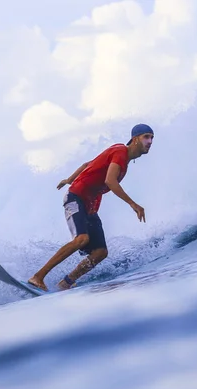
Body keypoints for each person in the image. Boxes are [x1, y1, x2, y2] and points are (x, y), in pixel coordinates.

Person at [27, 123, 154, 292]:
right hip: (75, 197)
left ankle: (66, 283)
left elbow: (89, 163)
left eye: (152, 138)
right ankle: (38, 277)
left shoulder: (122, 158)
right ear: (135, 139)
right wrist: (133, 204)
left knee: (100, 252)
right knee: (81, 239)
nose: (150, 141)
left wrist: (69, 178)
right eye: (146, 137)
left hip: (90, 205)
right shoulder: (120, 152)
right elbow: (110, 181)